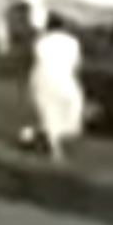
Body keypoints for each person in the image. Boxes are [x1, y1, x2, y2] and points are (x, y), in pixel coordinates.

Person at [28, 16, 86, 164]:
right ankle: (55, 146)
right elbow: (77, 64)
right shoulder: (73, 42)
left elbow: (37, 59)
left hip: (42, 77)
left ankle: (46, 140)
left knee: (48, 111)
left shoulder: (41, 42)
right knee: (71, 106)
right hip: (64, 77)